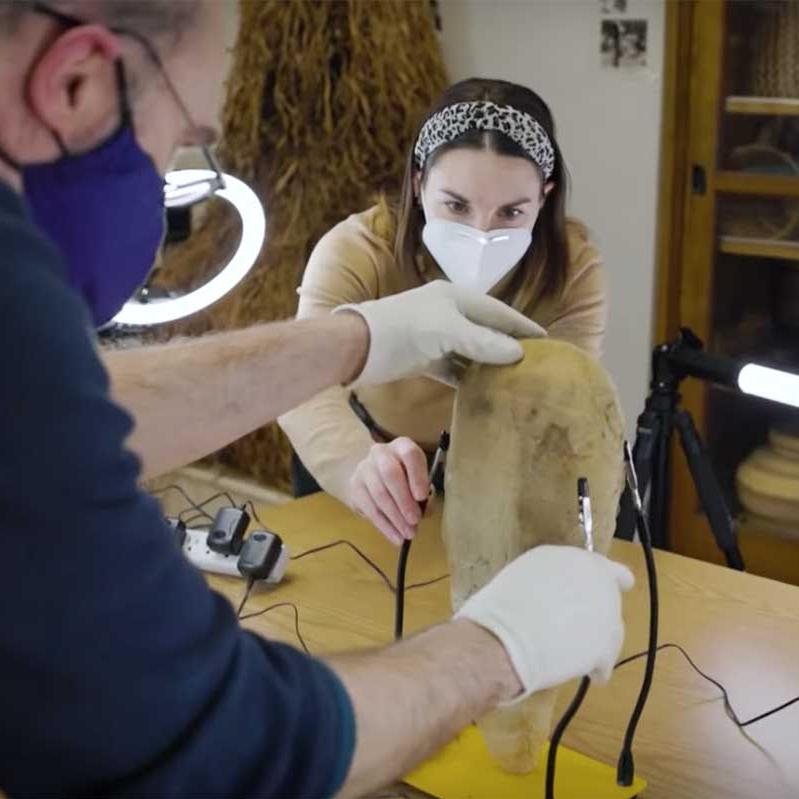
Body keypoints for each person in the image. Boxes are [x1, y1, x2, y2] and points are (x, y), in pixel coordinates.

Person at [0, 3, 634, 797]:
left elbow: (61, 407)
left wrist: (353, 341)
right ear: (75, 85)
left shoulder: (21, 339)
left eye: (510, 211)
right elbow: (217, 741)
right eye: (182, 138)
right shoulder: (357, 245)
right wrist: (498, 648)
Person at [280, 78, 608, 545]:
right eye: (455, 205)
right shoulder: (358, 249)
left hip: (501, 469)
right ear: (418, 183)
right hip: (366, 454)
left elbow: (565, 400)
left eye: (512, 213)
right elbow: (298, 377)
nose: (481, 232)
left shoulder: (573, 269)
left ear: (545, 197)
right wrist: (354, 462)